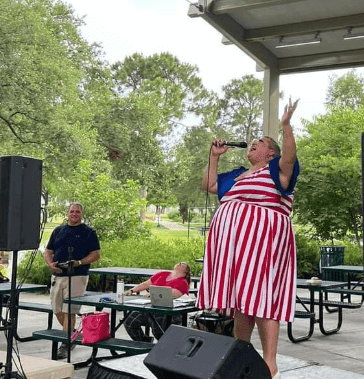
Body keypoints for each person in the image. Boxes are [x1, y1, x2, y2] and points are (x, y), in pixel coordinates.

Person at [197, 98, 300, 379]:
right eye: (254, 140)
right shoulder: (238, 176)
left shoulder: (277, 169)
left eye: (261, 141)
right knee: (242, 298)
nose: (254, 142)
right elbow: (209, 185)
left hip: (263, 240)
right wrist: (215, 156)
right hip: (233, 246)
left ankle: (269, 363)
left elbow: (290, 155)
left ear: (271, 153)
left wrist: (286, 126)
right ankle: (242, 354)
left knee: (262, 296)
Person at [45, 203, 101, 359]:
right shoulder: (58, 230)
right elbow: (48, 251)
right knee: (57, 310)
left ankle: (66, 343)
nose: (74, 214)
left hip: (77, 276)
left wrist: (79, 263)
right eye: (72, 211)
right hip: (58, 276)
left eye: (77, 212)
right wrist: (50, 264)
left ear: (82, 214)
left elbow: (96, 254)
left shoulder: (88, 232)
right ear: (67, 213)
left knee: (70, 310)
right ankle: (71, 334)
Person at [123, 262, 191, 342]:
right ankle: (144, 342)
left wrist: (154, 293)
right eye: (179, 263)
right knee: (129, 322)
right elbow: (146, 284)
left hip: (166, 311)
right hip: (149, 306)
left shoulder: (183, 282)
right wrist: (132, 290)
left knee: (158, 331)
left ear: (186, 272)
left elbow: (174, 293)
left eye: (183, 264)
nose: (180, 263)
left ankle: (164, 349)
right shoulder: (163, 274)